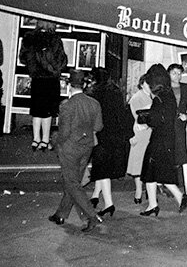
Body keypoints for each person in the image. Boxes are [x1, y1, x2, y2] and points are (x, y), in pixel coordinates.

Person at [48, 69, 103, 232]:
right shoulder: (94, 103)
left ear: (69, 86)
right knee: (74, 183)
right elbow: (98, 127)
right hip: (86, 148)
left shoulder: (67, 105)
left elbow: (64, 133)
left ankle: (92, 216)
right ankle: (60, 214)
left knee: (71, 183)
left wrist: (54, 141)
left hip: (70, 149)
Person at [140, 63, 187, 215]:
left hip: (159, 139)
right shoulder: (169, 96)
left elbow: (156, 120)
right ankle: (169, 200)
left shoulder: (158, 98)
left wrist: (145, 118)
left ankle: (156, 204)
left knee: (150, 171)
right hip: (168, 137)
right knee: (158, 171)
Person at [88, 73, 133, 218]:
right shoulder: (115, 92)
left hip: (102, 135)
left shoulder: (96, 95)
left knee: (101, 169)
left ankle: (109, 204)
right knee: (103, 167)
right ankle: (95, 195)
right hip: (115, 136)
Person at [20, 21, 68, 151]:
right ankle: (45, 140)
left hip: (36, 78)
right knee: (48, 111)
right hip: (51, 79)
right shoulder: (55, 39)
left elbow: (23, 58)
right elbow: (62, 61)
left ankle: (36, 139)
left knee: (37, 110)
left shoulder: (29, 37)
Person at [126, 75, 154, 205]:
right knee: (138, 164)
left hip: (151, 133)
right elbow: (138, 118)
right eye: (148, 83)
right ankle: (138, 190)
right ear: (142, 84)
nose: (150, 86)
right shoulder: (136, 98)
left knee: (149, 163)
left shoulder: (153, 96)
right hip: (141, 133)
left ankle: (149, 190)